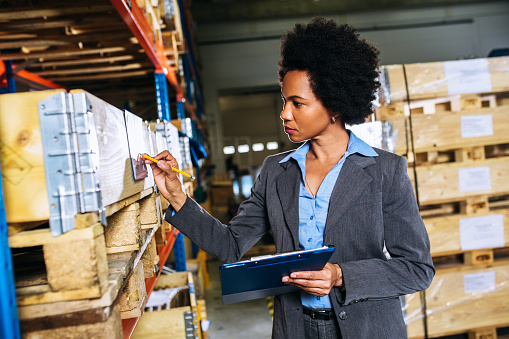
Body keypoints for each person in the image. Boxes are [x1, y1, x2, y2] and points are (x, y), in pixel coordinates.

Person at [147, 17, 434, 339]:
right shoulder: (275, 171)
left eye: (298, 103)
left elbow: (417, 270)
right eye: (285, 101)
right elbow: (229, 246)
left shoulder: (385, 170)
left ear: (336, 105)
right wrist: (176, 196)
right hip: (295, 327)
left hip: (366, 328)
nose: (284, 113)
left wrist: (340, 275)